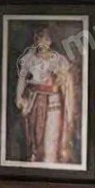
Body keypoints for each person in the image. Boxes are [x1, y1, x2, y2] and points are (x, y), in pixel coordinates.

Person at [15, 26, 76, 164]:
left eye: (44, 40)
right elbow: (22, 79)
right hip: (34, 101)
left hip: (54, 101)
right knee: (35, 136)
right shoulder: (29, 59)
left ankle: (50, 162)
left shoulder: (59, 59)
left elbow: (66, 81)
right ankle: (34, 162)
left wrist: (60, 76)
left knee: (51, 135)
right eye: (38, 39)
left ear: (49, 41)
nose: (41, 43)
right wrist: (19, 97)